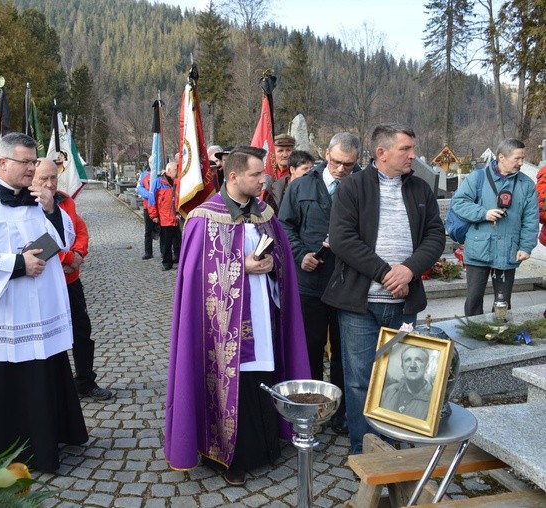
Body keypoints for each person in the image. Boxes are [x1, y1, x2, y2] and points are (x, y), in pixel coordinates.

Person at [165, 146, 311, 486]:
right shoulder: (204, 217)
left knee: (263, 374)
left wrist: (273, 266)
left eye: (263, 174)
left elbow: (283, 259)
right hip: (222, 327)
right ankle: (229, 455)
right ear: (233, 177)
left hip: (263, 313)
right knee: (233, 383)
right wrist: (240, 266)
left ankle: (266, 446)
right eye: (255, 175)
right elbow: (195, 274)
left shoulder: (264, 214)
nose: (263, 180)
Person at [0, 133, 88, 473]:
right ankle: (6, 449)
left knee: (45, 369)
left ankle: (51, 438)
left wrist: (51, 209)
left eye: (34, 162)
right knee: (10, 378)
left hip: (42, 309)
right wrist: (17, 265)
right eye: (25, 162)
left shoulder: (39, 199)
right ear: (1, 164)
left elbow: (66, 238)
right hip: (4, 313)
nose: (32, 168)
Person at [321, 123, 445, 454]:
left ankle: (393, 446)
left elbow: (435, 236)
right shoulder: (353, 188)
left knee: (400, 378)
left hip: (403, 304)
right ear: (382, 153)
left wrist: (409, 270)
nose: (413, 155)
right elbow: (343, 239)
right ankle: (367, 451)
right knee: (360, 381)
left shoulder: (420, 189)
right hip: (360, 304)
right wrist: (386, 272)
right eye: (406, 149)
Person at [278, 132, 361, 435]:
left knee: (344, 352)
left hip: (346, 283)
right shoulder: (300, 186)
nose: (341, 169)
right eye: (337, 162)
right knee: (311, 349)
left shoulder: (361, 187)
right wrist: (300, 255)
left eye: (348, 165)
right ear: (326, 153)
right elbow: (285, 226)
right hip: (310, 283)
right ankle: (312, 412)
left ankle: (340, 413)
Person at [32, 157, 114, 401]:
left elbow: (79, 229)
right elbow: (37, 244)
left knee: (81, 330)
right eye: (43, 179)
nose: (49, 183)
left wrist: (78, 253)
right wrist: (68, 259)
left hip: (71, 281)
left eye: (53, 177)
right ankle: (56, 388)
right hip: (46, 282)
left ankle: (85, 381)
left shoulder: (65, 200)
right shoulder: (28, 205)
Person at [452, 138, 538, 316]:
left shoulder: (526, 184)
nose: (521, 163)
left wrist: (526, 246)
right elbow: (459, 203)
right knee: (474, 299)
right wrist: (484, 213)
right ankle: (472, 338)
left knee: (503, 301)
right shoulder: (478, 178)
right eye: (517, 158)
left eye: (523, 158)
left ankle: (500, 337)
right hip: (479, 247)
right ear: (501, 157)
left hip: (509, 249)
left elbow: (531, 219)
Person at [380, 346, 432, 419]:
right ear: (402, 366)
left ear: (427, 367)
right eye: (408, 360)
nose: (412, 365)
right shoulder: (390, 391)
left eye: (418, 360)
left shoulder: (434, 399)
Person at [149, 161, 181, 271]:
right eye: (175, 170)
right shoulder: (158, 182)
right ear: (168, 171)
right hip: (165, 217)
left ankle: (178, 259)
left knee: (179, 241)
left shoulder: (178, 182)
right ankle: (167, 262)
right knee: (167, 242)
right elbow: (152, 200)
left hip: (177, 217)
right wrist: (154, 215)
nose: (177, 172)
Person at [264, 134, 297, 214]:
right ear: (273, 153)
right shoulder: (267, 173)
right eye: (280, 151)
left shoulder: (297, 174)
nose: (285, 155)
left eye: (288, 150)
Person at [137, 160, 159, 260]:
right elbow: (139, 188)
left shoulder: (160, 174)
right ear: (149, 163)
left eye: (154, 162)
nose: (153, 164)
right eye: (151, 162)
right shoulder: (144, 175)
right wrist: (150, 195)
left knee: (162, 231)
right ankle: (148, 252)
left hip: (160, 207)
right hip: (148, 206)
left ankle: (164, 252)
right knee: (148, 231)